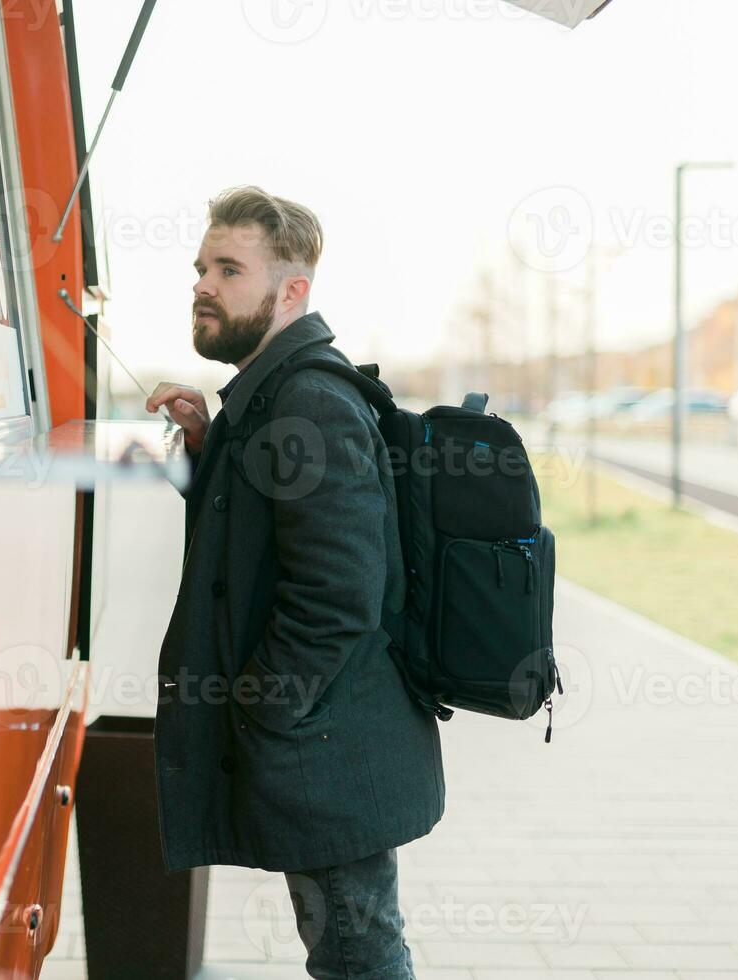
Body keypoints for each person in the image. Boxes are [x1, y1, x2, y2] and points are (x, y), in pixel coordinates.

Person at [146, 186, 445, 979]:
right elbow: (272, 533)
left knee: (356, 949)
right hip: (319, 740)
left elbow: (340, 592)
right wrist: (208, 448)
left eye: (229, 269)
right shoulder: (271, 397)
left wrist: (264, 707)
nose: (203, 284)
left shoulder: (308, 402)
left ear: (292, 290)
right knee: (350, 946)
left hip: (326, 748)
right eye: (202, 266)